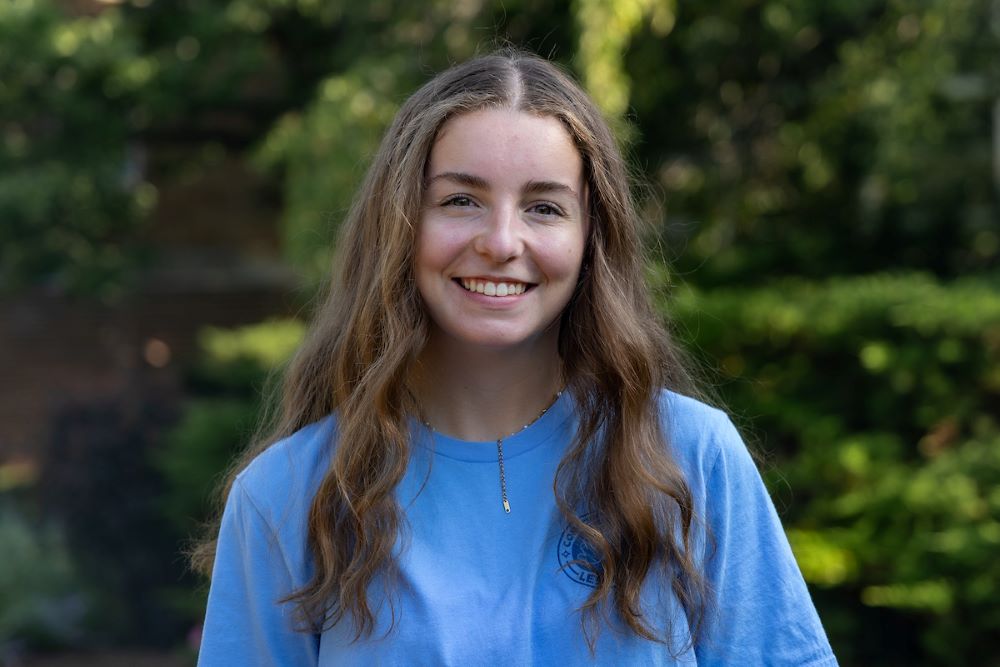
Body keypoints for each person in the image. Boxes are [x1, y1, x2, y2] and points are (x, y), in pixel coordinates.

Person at [194, 49, 838, 666]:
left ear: (593, 239)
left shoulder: (690, 461)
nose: (502, 241)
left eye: (544, 207)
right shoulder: (286, 497)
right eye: (460, 200)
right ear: (398, 225)